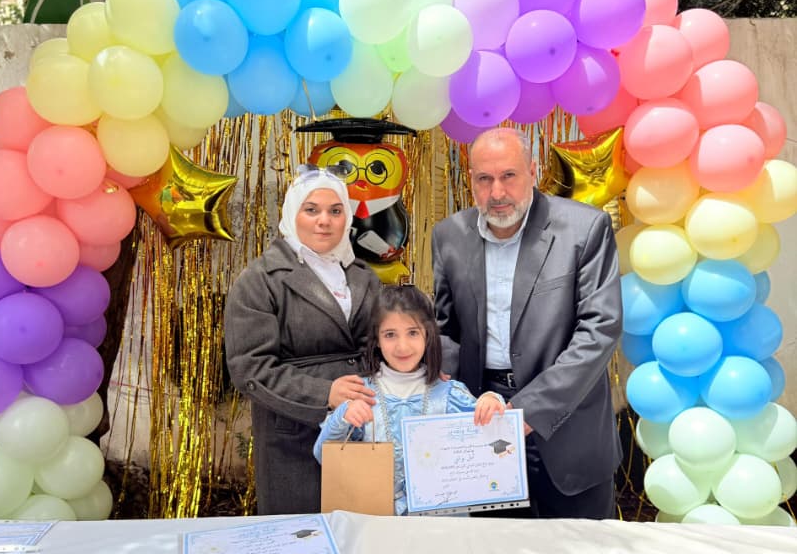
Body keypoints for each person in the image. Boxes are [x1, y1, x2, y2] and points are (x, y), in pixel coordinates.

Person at [432, 127, 622, 519]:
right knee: (497, 550)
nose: (497, 192)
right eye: (484, 179)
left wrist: (529, 410)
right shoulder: (449, 235)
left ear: (533, 171)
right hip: (485, 421)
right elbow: (446, 329)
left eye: (509, 176)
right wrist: (446, 395)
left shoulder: (585, 229)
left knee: (580, 551)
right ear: (470, 179)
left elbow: (599, 329)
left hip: (568, 425)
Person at [225, 167, 381, 515]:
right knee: (301, 533)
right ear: (293, 213)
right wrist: (323, 394)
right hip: (295, 434)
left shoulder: (363, 277)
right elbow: (250, 368)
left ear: (347, 218)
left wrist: (421, 370)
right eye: (311, 210)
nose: (324, 221)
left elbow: (381, 345)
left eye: (335, 211)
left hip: (361, 428)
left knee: (360, 528)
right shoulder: (261, 281)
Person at [313, 284, 505, 514]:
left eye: (412, 333)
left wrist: (492, 402)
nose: (402, 346)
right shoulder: (361, 394)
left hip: (441, 524)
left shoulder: (449, 394)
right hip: (376, 520)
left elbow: (493, 446)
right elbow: (324, 457)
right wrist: (343, 417)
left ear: (428, 334)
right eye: (390, 335)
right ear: (376, 339)